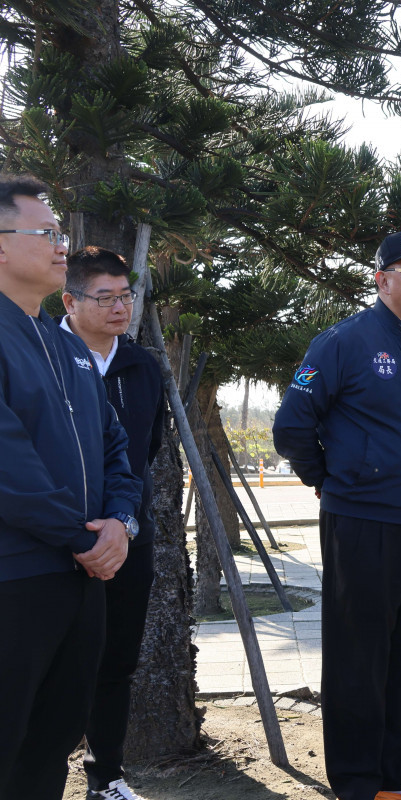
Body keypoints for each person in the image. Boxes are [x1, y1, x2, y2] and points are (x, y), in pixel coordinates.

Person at [274, 231, 401, 800]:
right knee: (360, 659)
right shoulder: (344, 342)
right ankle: (358, 784)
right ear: (382, 280)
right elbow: (291, 428)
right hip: (364, 524)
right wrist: (330, 480)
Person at [0, 174, 142, 797]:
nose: (64, 246)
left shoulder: (67, 349)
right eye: (47, 233)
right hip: (17, 576)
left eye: (62, 233)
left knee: (51, 743)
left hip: (82, 575)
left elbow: (116, 446)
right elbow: (10, 464)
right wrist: (83, 537)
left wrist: (119, 521)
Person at [59, 246, 166, 800]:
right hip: (53, 537)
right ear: (69, 300)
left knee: (116, 661)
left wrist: (121, 522)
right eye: (106, 298)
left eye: (127, 296)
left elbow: (147, 447)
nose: (121, 308)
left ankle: (107, 778)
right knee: (49, 661)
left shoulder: (144, 365)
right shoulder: (41, 352)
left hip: (126, 533)